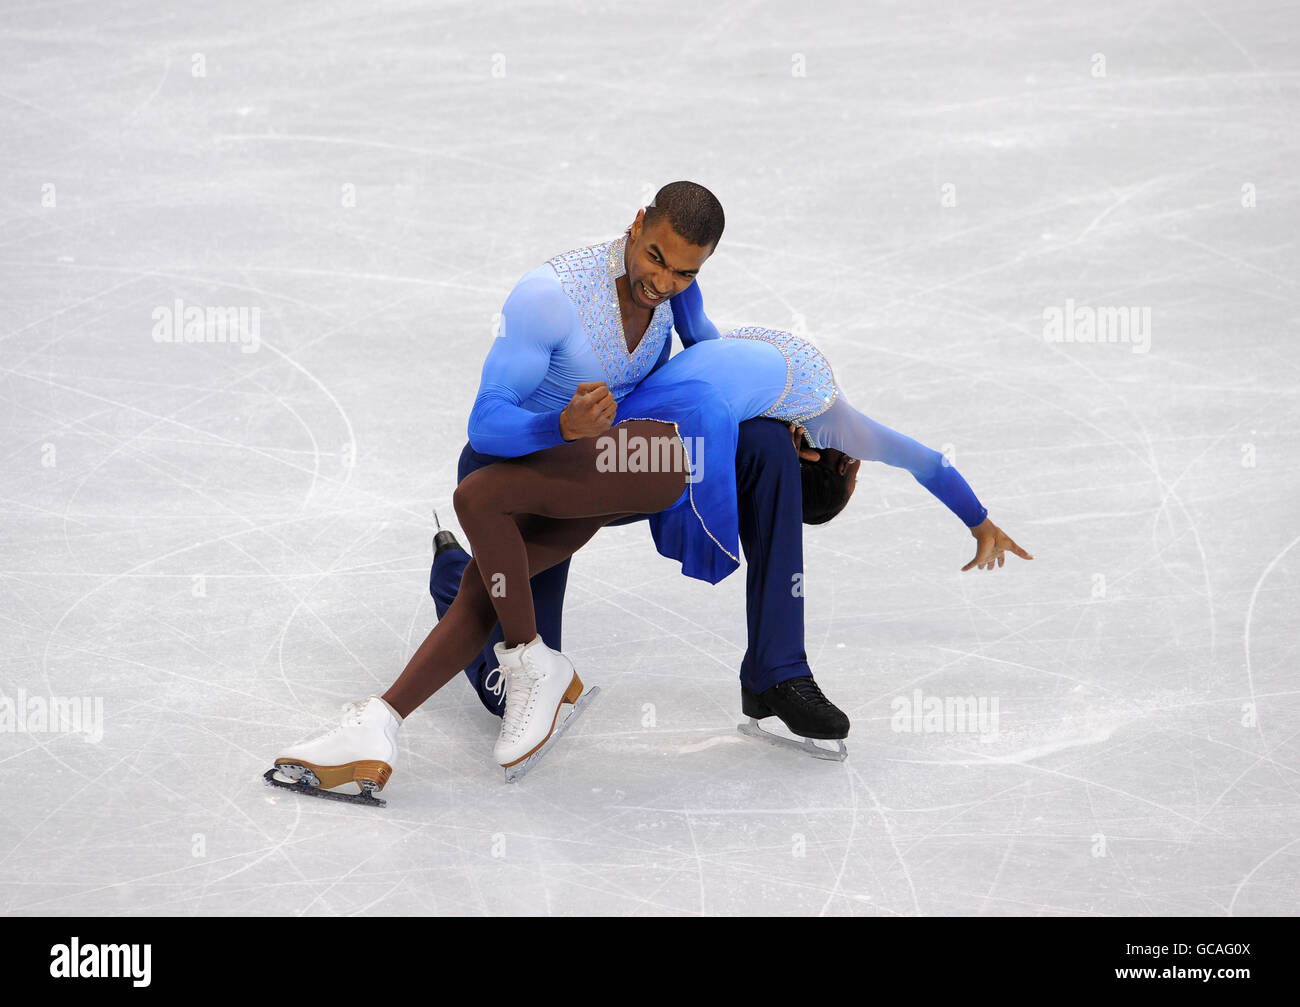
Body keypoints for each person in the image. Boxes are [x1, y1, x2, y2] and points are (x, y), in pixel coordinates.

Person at [267, 317, 1032, 800]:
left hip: (648, 466)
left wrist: (981, 519)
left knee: (736, 447)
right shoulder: (806, 403)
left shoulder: (800, 426)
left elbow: (922, 459)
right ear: (839, 463)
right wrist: (980, 519)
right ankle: (460, 587)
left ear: (828, 459)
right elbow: (926, 460)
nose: (837, 451)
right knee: (508, 663)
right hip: (616, 456)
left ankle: (775, 673)